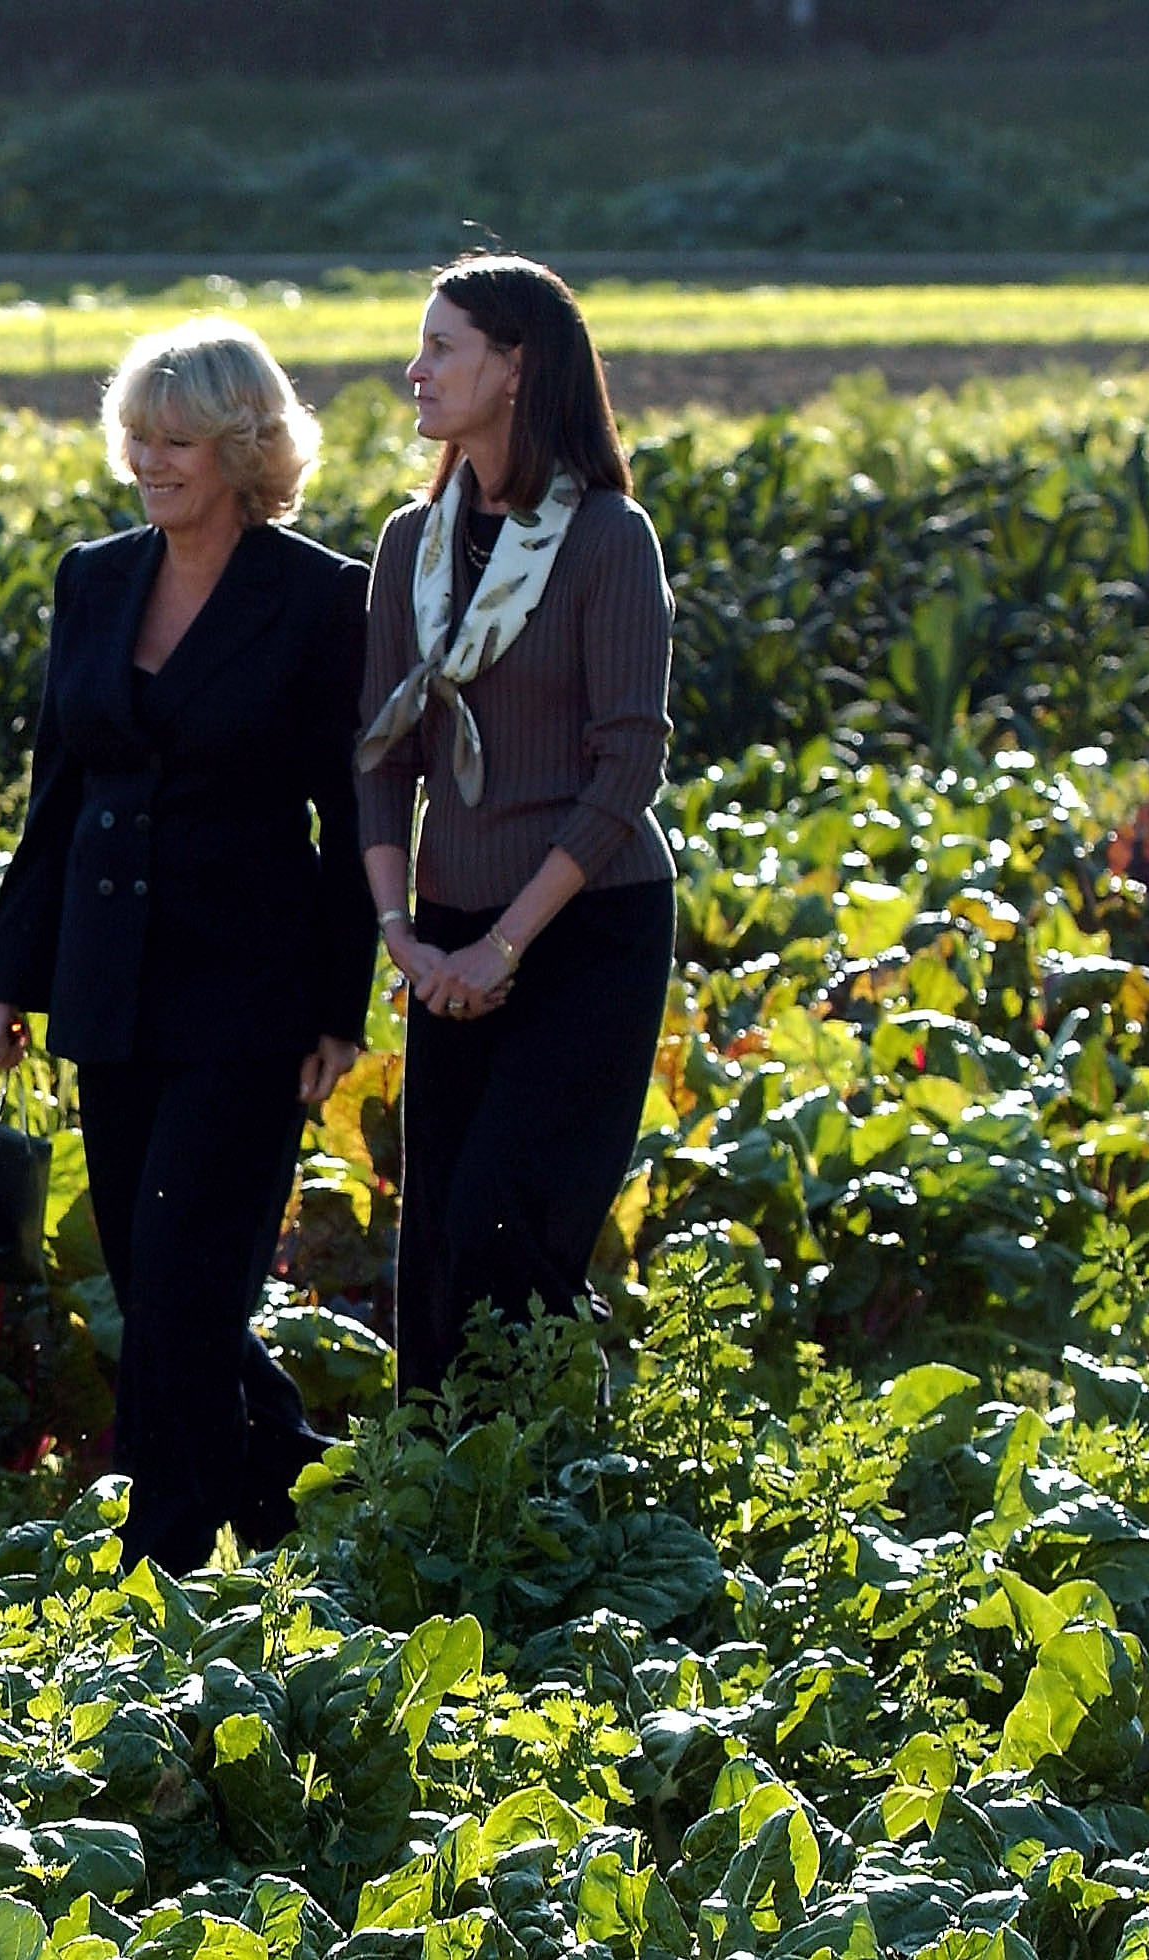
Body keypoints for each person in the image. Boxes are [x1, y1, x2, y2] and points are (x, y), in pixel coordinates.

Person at [0, 318, 374, 1570]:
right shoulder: (92, 576)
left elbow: (352, 811)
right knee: (154, 1288)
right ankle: (286, 1494)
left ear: (246, 447)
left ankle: (161, 1562)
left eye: (177, 439)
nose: (148, 458)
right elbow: (55, 790)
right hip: (105, 983)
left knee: (191, 1280)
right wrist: (8, 976)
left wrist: (338, 1006)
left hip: (248, 989)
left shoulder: (319, 597)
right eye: (136, 434)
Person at [354, 253, 675, 1398]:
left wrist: (506, 945)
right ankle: (434, 1508)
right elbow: (381, 753)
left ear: (514, 366)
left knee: (511, 1222)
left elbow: (626, 760)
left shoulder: (604, 541)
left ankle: (539, 1489)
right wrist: (406, 936)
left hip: (585, 925)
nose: (416, 369)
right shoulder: (411, 543)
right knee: (436, 1234)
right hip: (445, 932)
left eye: (441, 346)